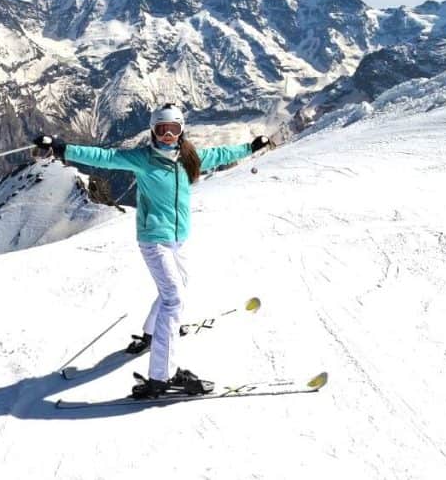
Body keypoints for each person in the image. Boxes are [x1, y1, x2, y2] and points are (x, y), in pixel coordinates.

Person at [32, 104, 271, 398]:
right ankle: (162, 376)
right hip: (153, 239)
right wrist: (62, 149)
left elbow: (220, 155)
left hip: (177, 238)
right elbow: (105, 157)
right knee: (174, 300)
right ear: (153, 131)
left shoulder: (189, 158)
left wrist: (250, 147)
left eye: (174, 129)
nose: (168, 136)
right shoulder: (143, 160)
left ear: (181, 130)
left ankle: (151, 334)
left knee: (176, 288)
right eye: (162, 129)